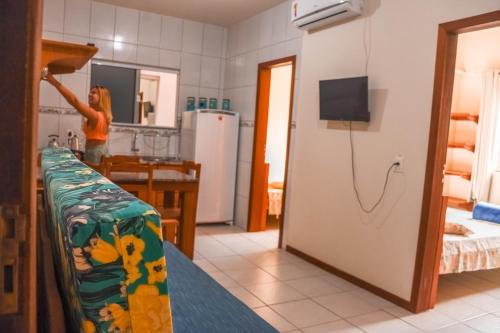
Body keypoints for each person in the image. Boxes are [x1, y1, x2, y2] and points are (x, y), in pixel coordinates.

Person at [44, 73, 112, 163]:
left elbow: (75, 101)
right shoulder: (102, 115)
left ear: (102, 98)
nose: (89, 94)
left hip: (95, 155)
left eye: (94, 93)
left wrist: (55, 82)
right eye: (90, 92)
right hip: (94, 153)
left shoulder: (96, 115)